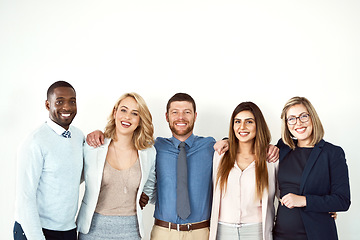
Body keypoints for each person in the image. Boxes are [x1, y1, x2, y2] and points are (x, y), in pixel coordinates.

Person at [86, 93, 279, 240]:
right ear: (167, 116)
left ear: (195, 116)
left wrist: (265, 147)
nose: (181, 117)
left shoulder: (211, 147)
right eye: (175, 112)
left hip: (201, 232)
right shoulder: (153, 148)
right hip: (163, 232)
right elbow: (124, 142)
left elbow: (239, 143)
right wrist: (100, 134)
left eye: (187, 112)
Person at [76, 93, 156, 240]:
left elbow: (149, 185)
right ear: (115, 113)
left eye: (135, 113)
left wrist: (144, 196)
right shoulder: (93, 146)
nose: (127, 117)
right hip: (93, 231)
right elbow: (72, 179)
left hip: (131, 232)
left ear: (140, 120)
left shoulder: (148, 152)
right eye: (123, 110)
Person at [272, 96, 350, 240]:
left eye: (303, 116)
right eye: (292, 119)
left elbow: (342, 200)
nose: (298, 123)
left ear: (312, 117)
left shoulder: (332, 153)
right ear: (286, 124)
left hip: (317, 234)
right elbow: (251, 149)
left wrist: (304, 200)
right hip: (281, 234)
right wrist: (226, 142)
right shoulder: (283, 148)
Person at [13, 81, 84, 240]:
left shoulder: (78, 136)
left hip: (67, 229)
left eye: (72, 101)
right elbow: (25, 198)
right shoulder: (34, 141)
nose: (67, 107)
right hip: (35, 229)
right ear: (47, 105)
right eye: (59, 102)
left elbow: (76, 175)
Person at [210, 102, 278, 240]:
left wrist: (322, 208)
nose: (242, 127)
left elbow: (285, 194)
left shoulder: (270, 159)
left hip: (257, 231)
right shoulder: (220, 155)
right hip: (223, 231)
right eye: (237, 122)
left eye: (249, 122)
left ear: (258, 125)